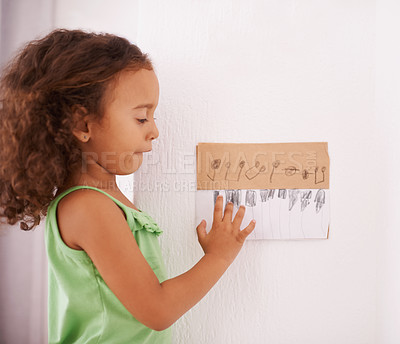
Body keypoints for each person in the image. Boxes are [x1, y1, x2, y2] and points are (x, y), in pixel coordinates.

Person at [0, 28, 256, 343]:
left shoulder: (101, 200)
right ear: (83, 124)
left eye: (153, 117)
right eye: (141, 119)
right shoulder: (88, 207)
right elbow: (157, 311)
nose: (154, 132)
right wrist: (219, 256)